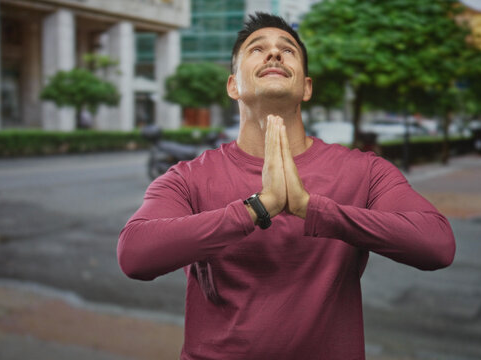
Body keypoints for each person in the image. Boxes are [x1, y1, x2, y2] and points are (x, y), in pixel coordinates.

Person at [118, 12, 455, 360]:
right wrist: (257, 208)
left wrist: (312, 209)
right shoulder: (187, 177)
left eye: (288, 49)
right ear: (233, 85)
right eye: (257, 48)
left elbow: (437, 245)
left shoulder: (364, 170)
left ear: (306, 88)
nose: (274, 54)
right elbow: (135, 255)